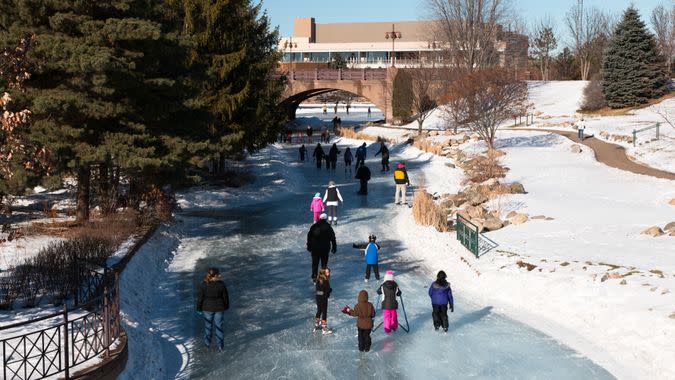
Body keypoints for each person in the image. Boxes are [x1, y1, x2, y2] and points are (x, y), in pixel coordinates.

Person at [196, 267, 230, 350]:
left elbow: (200, 298)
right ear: (214, 275)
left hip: (207, 309)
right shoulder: (221, 284)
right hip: (219, 308)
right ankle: (220, 346)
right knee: (219, 327)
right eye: (218, 274)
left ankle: (207, 345)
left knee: (208, 327)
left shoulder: (203, 284)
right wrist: (226, 306)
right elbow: (225, 297)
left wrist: (199, 308)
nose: (220, 275)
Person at [306, 213, 337, 282]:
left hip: (315, 249)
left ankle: (314, 277)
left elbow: (309, 237)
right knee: (324, 264)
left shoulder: (314, 226)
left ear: (319, 218)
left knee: (315, 263)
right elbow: (333, 238)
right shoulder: (328, 227)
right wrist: (334, 247)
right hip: (325, 249)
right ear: (325, 219)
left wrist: (309, 246)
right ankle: (323, 278)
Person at [314, 267, 333, 334]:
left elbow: (318, 290)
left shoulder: (318, 279)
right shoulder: (325, 281)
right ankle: (324, 328)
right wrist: (330, 290)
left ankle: (317, 325)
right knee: (324, 312)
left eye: (329, 272)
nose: (328, 273)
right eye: (327, 272)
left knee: (319, 310)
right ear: (323, 273)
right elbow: (327, 290)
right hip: (323, 298)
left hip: (318, 297)